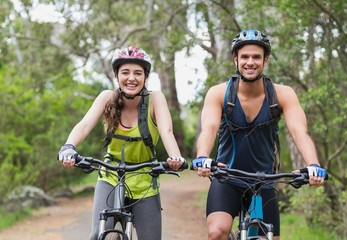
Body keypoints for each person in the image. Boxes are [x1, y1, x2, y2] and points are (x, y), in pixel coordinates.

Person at [192, 29, 327, 240]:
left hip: (264, 181)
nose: (250, 62)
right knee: (217, 232)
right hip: (226, 177)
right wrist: (202, 157)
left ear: (265, 61)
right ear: (235, 60)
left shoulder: (282, 94)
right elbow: (208, 129)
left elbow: (299, 132)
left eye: (256, 57)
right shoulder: (219, 93)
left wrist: (313, 165)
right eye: (244, 57)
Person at [57, 46, 185, 240]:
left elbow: (167, 131)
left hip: (145, 177)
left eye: (138, 73)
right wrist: (69, 147)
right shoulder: (107, 98)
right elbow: (84, 125)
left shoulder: (155, 99)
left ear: (146, 77)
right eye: (125, 72)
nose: (131, 78)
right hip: (111, 174)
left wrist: (175, 157)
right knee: (98, 234)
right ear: (117, 76)